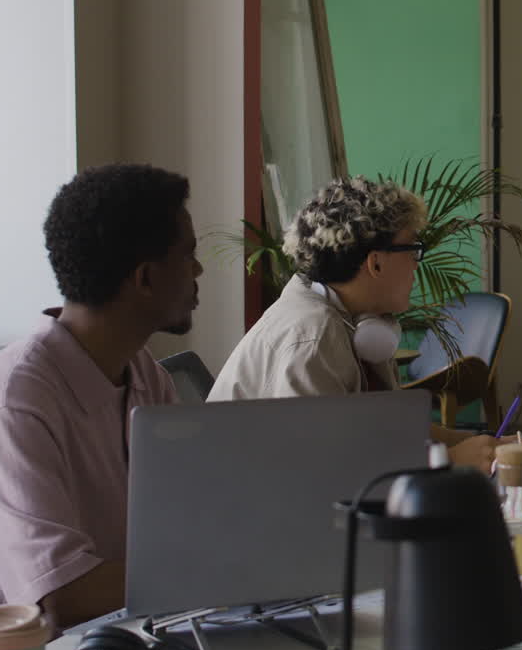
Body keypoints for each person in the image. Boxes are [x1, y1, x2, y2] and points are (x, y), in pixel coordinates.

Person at [0, 164, 200, 627]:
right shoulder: (18, 399)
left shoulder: (144, 372)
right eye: (189, 255)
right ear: (145, 278)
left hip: (135, 632)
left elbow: (191, 521)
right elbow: (61, 594)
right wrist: (222, 565)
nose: (199, 270)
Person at [209, 176, 501, 472]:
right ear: (375, 263)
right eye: (413, 251)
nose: (416, 264)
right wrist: (451, 460)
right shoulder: (312, 336)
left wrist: (477, 444)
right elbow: (318, 467)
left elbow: (389, 428)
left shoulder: (360, 321)